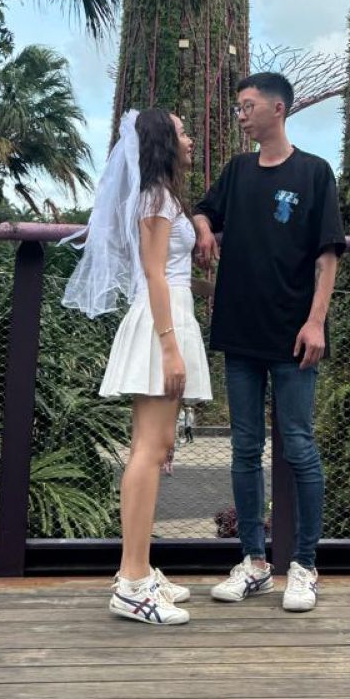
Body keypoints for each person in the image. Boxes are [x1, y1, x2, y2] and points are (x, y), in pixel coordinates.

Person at [192, 72, 344, 613]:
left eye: (247, 105)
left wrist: (316, 322)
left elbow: (328, 256)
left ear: (278, 109)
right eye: (238, 106)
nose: (240, 114)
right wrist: (204, 227)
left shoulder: (314, 172)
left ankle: (304, 565)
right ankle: (254, 562)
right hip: (240, 330)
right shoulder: (237, 171)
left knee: (299, 445)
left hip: (295, 335)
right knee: (244, 448)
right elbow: (204, 208)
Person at [63, 107, 211, 626]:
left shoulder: (162, 197)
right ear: (164, 142)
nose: (190, 139)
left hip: (168, 317)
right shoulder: (155, 198)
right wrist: (169, 347)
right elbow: (153, 273)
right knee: (148, 450)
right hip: (161, 322)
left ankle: (140, 569)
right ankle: (131, 582)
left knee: (156, 446)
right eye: (183, 132)